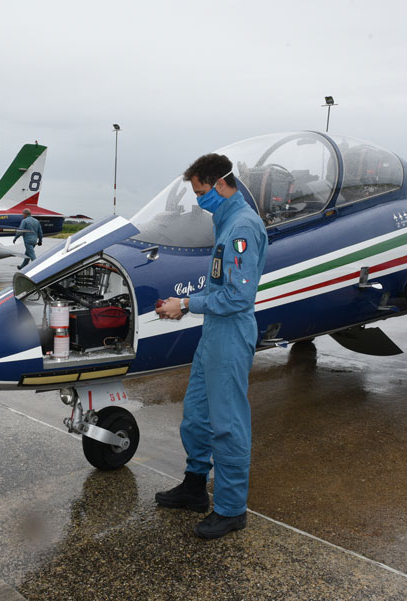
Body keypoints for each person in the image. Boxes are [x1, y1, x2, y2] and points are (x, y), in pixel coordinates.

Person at [155, 153, 268, 539]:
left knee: (228, 422)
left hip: (231, 332)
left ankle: (232, 509)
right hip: (214, 333)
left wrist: (185, 305)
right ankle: (194, 485)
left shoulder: (242, 227)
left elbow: (238, 297)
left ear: (221, 184)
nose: (200, 201)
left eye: (202, 192)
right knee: (197, 413)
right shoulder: (225, 222)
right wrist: (182, 305)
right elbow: (221, 286)